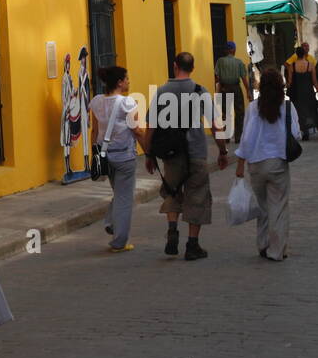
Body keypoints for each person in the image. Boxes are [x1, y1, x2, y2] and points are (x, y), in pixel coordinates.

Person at [145, 51, 229, 260]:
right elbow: (216, 126)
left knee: (172, 191)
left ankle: (172, 230)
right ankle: (192, 245)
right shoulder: (200, 91)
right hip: (196, 152)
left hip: (171, 154)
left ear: (175, 66)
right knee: (197, 196)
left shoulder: (162, 92)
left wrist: (148, 154)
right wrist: (222, 151)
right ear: (193, 68)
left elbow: (151, 127)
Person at [234, 66, 301, 261]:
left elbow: (246, 139)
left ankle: (263, 244)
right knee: (278, 208)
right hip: (278, 163)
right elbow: (296, 134)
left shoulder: (253, 108)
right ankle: (276, 250)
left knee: (262, 207)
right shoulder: (288, 107)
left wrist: (239, 165)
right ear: (281, 87)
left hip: (255, 164)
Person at [89, 66, 145, 253]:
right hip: (124, 156)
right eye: (126, 79)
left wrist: (96, 153)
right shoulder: (126, 103)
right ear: (120, 82)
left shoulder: (96, 102)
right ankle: (119, 241)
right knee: (124, 198)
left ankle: (112, 222)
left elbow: (95, 131)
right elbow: (136, 130)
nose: (129, 81)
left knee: (119, 193)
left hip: (105, 156)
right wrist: (149, 150)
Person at [214, 40, 251, 144]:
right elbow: (244, 79)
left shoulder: (220, 61)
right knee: (239, 112)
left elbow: (217, 77)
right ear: (234, 50)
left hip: (224, 88)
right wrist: (248, 91)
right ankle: (238, 137)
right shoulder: (238, 62)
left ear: (226, 50)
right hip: (236, 88)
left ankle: (226, 136)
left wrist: (217, 90)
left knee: (226, 112)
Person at [286, 45, 318, 142]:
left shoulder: (292, 66)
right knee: (311, 110)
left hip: (297, 93)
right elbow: (314, 80)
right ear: (304, 54)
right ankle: (310, 128)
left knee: (299, 112)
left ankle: (304, 132)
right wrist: (317, 88)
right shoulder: (310, 65)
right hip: (308, 92)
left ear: (296, 54)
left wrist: (286, 85)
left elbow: (290, 82)